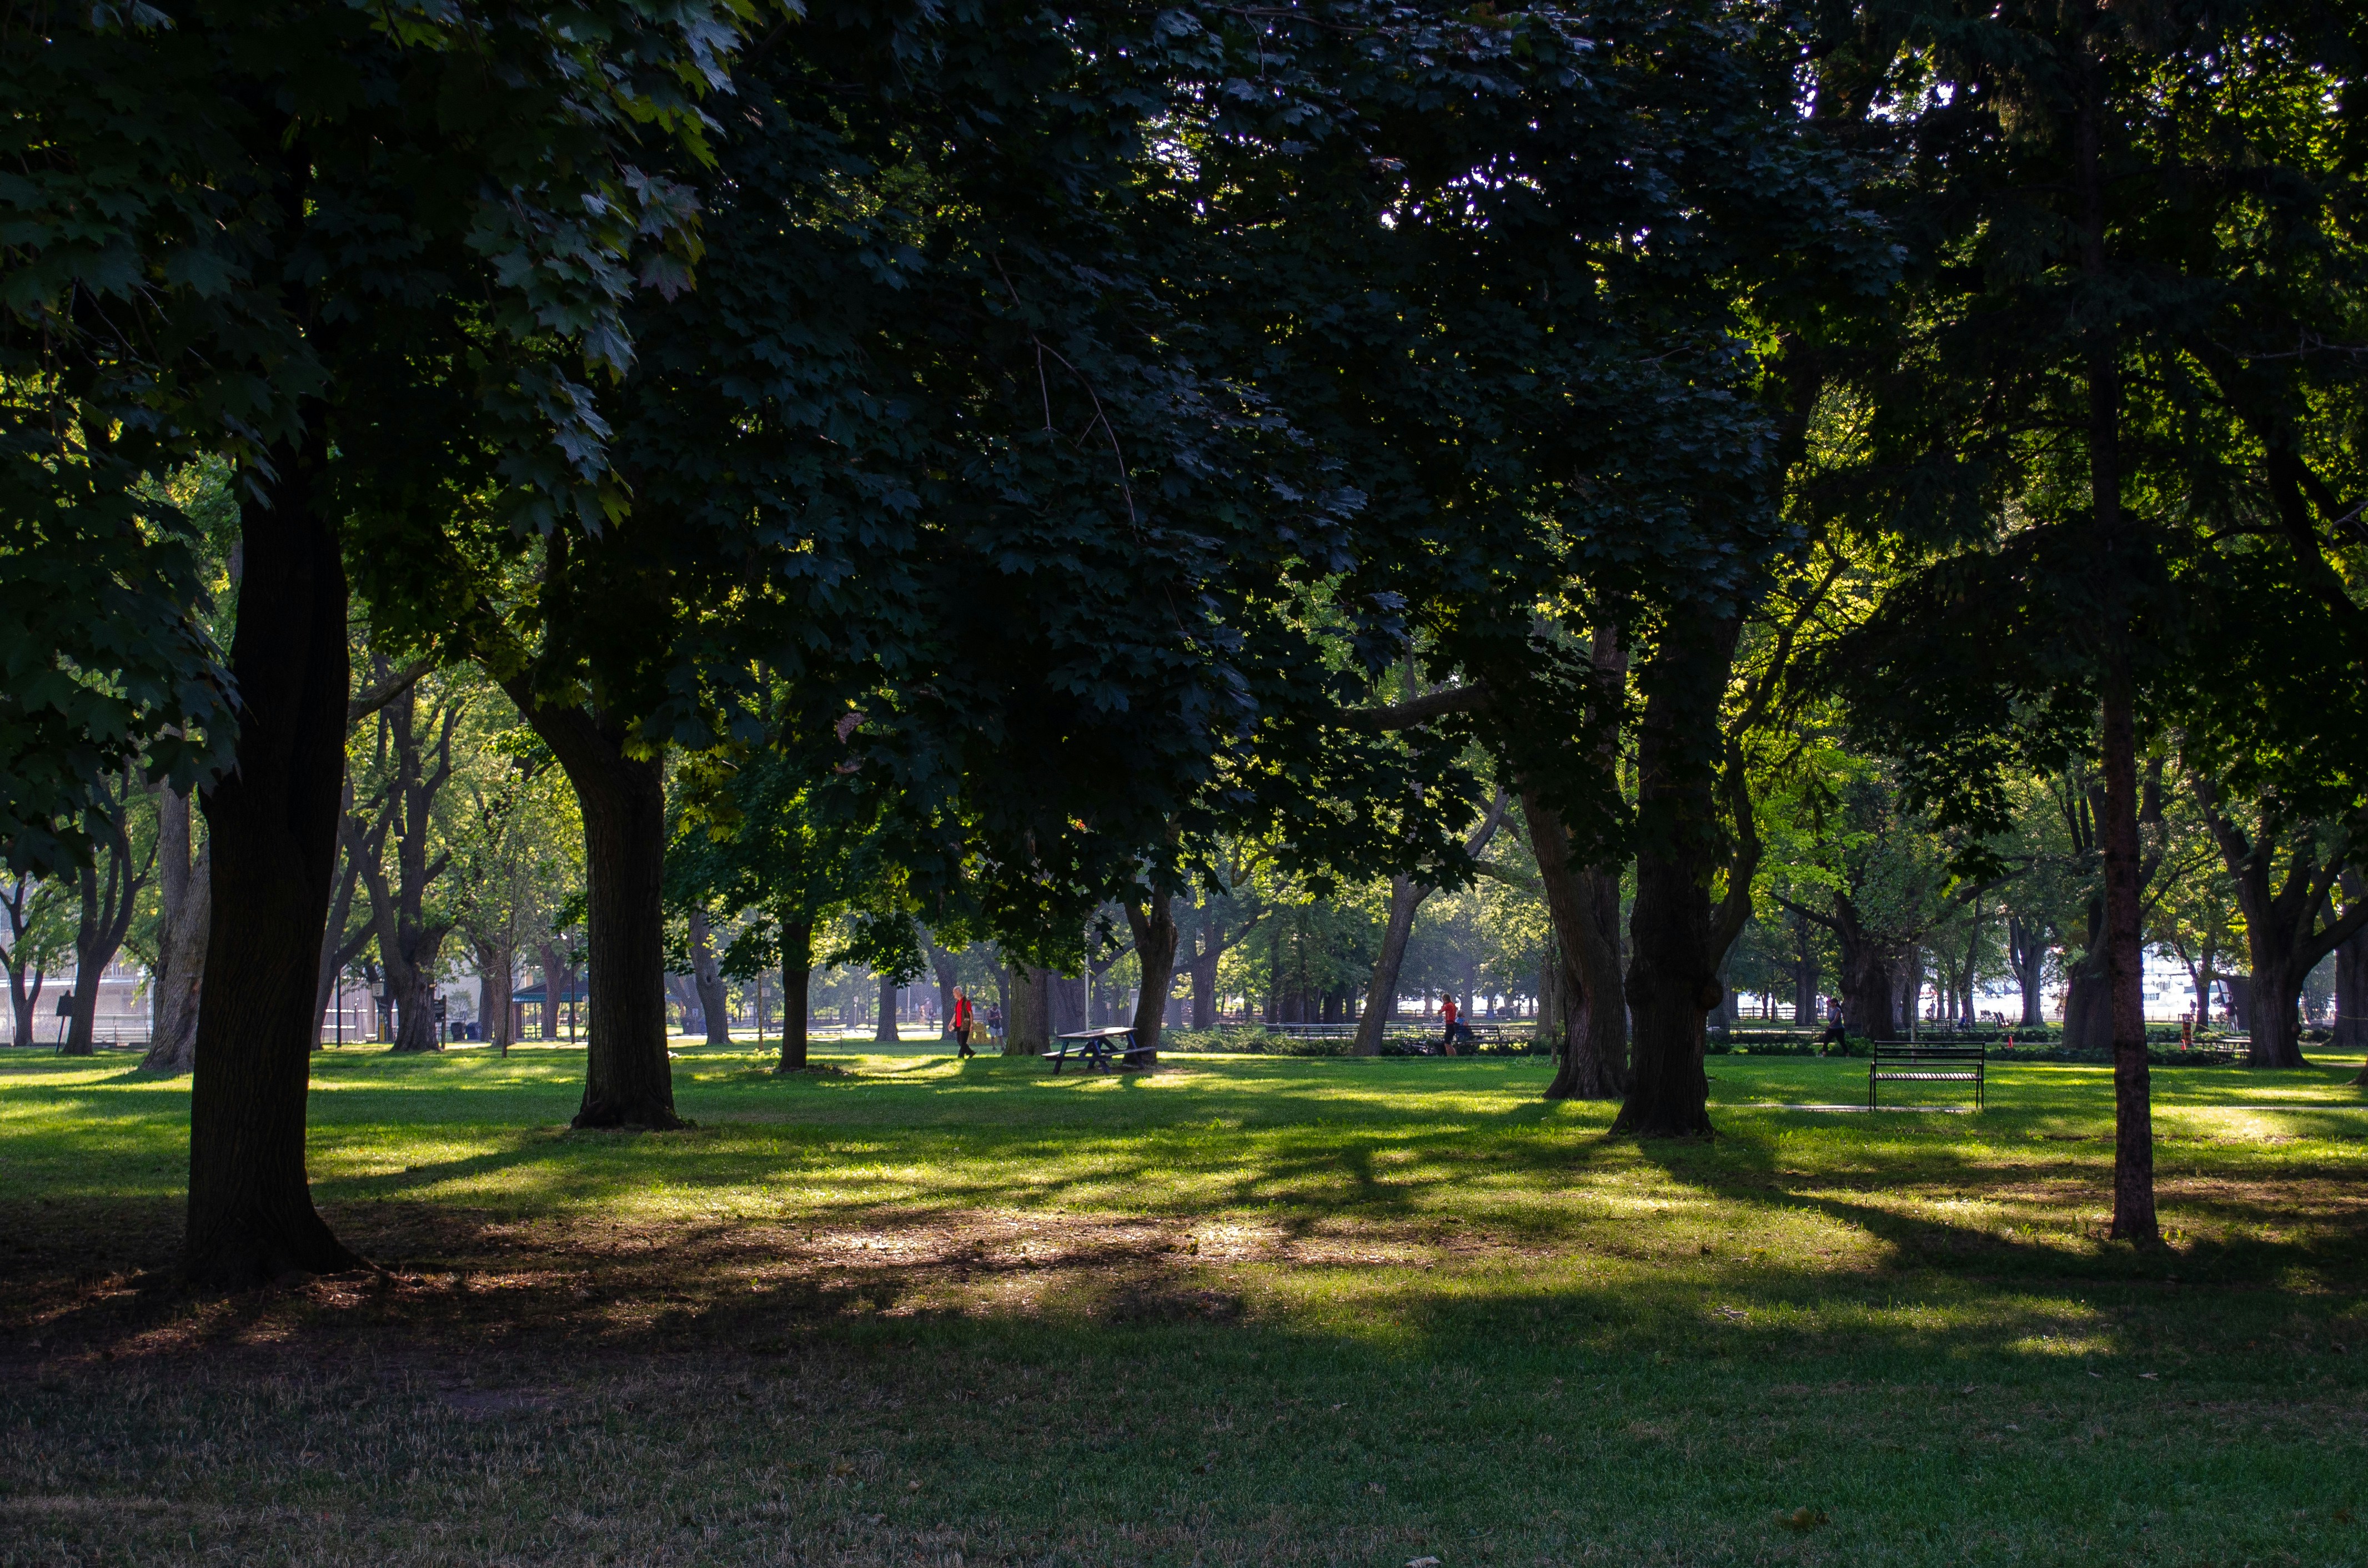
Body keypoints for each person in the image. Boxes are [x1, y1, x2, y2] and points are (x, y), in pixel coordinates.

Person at [952, 988, 975, 1058]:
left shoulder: (966, 1002)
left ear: (959, 992)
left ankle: (960, 1057)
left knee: (963, 1042)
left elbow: (971, 1014)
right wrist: (951, 1023)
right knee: (959, 1041)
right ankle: (971, 1052)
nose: (954, 994)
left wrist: (971, 1024)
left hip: (965, 1025)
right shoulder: (957, 1003)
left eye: (954, 993)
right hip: (958, 1025)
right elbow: (955, 1014)